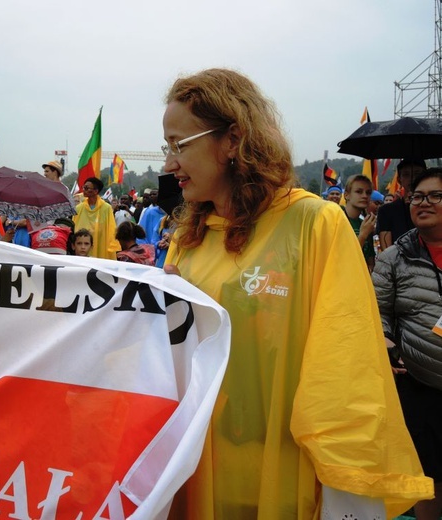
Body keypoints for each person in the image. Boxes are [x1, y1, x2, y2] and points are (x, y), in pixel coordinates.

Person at [161, 68, 432, 519]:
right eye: (167, 147)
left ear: (232, 140)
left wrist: (348, 495)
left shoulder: (314, 225)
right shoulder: (187, 240)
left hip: (282, 480)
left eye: (180, 144)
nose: (170, 164)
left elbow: (345, 374)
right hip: (193, 473)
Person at [372, 167, 442, 520]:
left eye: (434, 196)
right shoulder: (394, 258)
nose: (423, 202)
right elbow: (375, 310)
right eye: (416, 196)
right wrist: (384, 339)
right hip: (419, 384)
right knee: (427, 478)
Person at [377, 158, 427, 250]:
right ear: (399, 180)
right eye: (406, 175)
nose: (412, 178)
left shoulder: (433, 206)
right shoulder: (386, 211)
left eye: (417, 173)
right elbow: (387, 250)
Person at [72, 176, 119, 260]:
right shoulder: (79, 208)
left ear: (96, 191)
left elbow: (111, 230)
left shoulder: (106, 208)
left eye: (87, 188)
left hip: (100, 245)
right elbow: (73, 229)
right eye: (84, 187)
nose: (84, 190)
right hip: (82, 248)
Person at [342, 174, 376, 270]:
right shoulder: (337, 219)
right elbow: (343, 259)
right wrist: (363, 235)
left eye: (368, 192)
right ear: (346, 195)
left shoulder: (366, 223)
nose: (365, 196)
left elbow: (370, 262)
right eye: (359, 192)